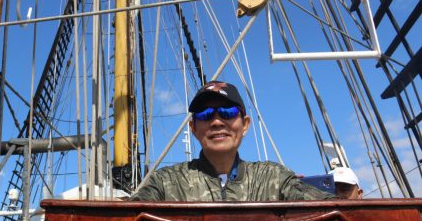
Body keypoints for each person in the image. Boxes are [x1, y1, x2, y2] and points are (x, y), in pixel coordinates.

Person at [131, 80, 334, 201]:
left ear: (245, 124)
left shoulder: (273, 179)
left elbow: (330, 210)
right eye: (205, 114)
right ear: (193, 128)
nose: (217, 122)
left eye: (227, 112)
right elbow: (126, 218)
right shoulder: (166, 183)